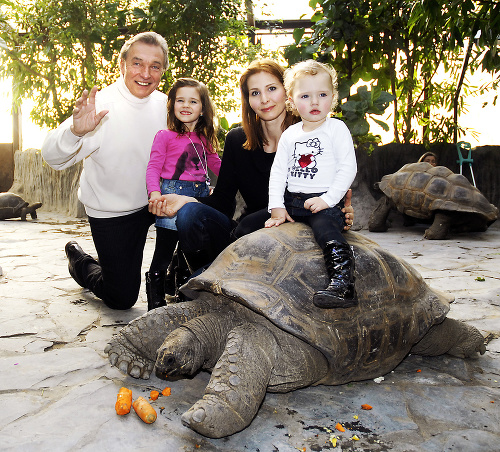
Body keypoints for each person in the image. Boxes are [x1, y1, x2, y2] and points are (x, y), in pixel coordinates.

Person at [148, 59, 354, 286]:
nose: (264, 99)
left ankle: (200, 279)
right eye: (255, 92)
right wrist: (186, 199)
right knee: (190, 214)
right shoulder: (237, 140)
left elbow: (338, 178)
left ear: (288, 92)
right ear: (247, 100)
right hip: (248, 232)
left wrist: (339, 207)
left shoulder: (313, 137)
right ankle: (194, 270)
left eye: (272, 89)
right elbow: (224, 203)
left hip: (294, 228)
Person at [41, 32, 169, 310]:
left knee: (202, 215)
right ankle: (80, 261)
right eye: (137, 63)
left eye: (155, 66)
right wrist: (75, 131)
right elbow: (53, 157)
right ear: (122, 64)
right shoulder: (100, 109)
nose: (145, 73)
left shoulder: (167, 106)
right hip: (113, 212)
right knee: (121, 297)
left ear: (163, 70)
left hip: (157, 204)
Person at [236, 60, 357, 309]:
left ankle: (343, 284)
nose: (314, 102)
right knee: (247, 225)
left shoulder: (336, 129)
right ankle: (243, 280)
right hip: (293, 201)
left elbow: (348, 168)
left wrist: (328, 200)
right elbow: (279, 173)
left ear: (333, 98)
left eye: (322, 95)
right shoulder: (292, 134)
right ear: (292, 99)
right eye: (306, 96)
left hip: (324, 202)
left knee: (327, 231)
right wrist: (277, 207)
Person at [145, 78, 221, 310]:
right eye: (180, 100)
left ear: (203, 108)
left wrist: (232, 179)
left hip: (196, 197)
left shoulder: (205, 138)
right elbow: (153, 167)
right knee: (164, 251)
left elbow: (217, 165)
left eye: (193, 101)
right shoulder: (164, 136)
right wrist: (154, 193)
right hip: (170, 197)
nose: (186, 105)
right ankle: (155, 305)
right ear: (172, 105)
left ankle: (181, 296)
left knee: (187, 251)